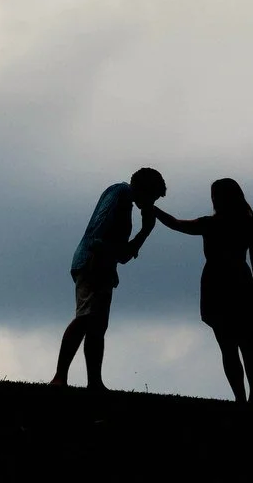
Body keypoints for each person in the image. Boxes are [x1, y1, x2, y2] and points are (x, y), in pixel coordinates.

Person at [51, 167, 168, 390]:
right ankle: (60, 376)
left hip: (103, 267)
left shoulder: (125, 199)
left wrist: (145, 231)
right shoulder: (121, 193)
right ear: (144, 188)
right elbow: (100, 228)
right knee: (86, 318)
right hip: (93, 263)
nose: (152, 202)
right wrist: (97, 257)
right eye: (152, 196)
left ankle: (94, 381)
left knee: (97, 325)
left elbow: (123, 255)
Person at [154, 178, 253, 403]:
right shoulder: (248, 224)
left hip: (217, 284)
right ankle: (252, 397)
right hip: (240, 283)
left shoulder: (210, 224)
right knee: (246, 343)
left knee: (230, 346)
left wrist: (152, 209)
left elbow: (176, 224)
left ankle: (243, 398)